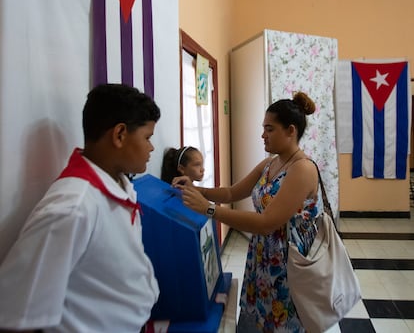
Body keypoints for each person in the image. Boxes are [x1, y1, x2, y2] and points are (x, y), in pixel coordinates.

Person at [0, 84, 161, 333]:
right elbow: (16, 315)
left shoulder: (120, 186)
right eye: (147, 138)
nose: (151, 148)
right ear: (119, 135)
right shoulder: (72, 208)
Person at [172, 92, 323, 332]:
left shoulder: (302, 169)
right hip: (265, 256)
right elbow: (231, 193)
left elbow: (266, 223)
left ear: (290, 131)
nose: (263, 135)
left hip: (289, 264)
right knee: (267, 321)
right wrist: (197, 190)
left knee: (286, 323)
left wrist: (208, 209)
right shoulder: (270, 164)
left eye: (270, 129)